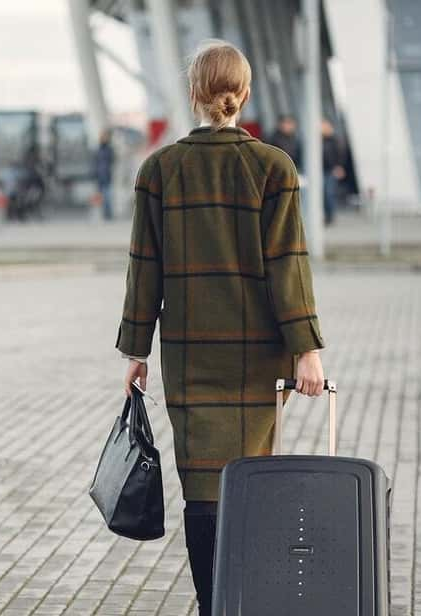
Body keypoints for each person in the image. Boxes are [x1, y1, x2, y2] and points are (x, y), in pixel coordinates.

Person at [116, 40, 326, 615]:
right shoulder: (272, 167)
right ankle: (247, 598)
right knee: (249, 481)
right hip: (258, 359)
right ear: (245, 93)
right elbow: (289, 266)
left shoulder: (159, 170)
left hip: (188, 357)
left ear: (193, 95)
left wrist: (136, 350)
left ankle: (214, 604)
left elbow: (145, 268)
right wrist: (306, 350)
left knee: (203, 491)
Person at [321, 119, 347, 226]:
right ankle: (325, 215)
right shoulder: (318, 140)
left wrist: (339, 167)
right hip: (320, 170)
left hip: (331, 170)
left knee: (329, 193)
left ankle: (330, 216)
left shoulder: (336, 140)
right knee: (322, 193)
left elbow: (341, 155)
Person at [93, 129, 116, 220]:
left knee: (107, 195)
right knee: (101, 195)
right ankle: (103, 213)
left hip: (107, 175)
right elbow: (95, 162)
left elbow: (112, 160)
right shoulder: (98, 149)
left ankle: (108, 213)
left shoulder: (109, 149)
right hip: (99, 175)